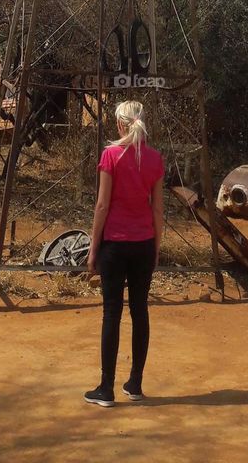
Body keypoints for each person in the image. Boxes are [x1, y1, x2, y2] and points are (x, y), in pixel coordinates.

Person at [84, 100, 165, 408]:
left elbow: (102, 205)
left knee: (111, 313)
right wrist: (156, 246)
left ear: (120, 124)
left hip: (115, 245)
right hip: (144, 243)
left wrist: (94, 249)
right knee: (140, 311)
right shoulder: (155, 159)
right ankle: (135, 383)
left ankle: (106, 388)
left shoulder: (111, 155)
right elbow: (157, 208)